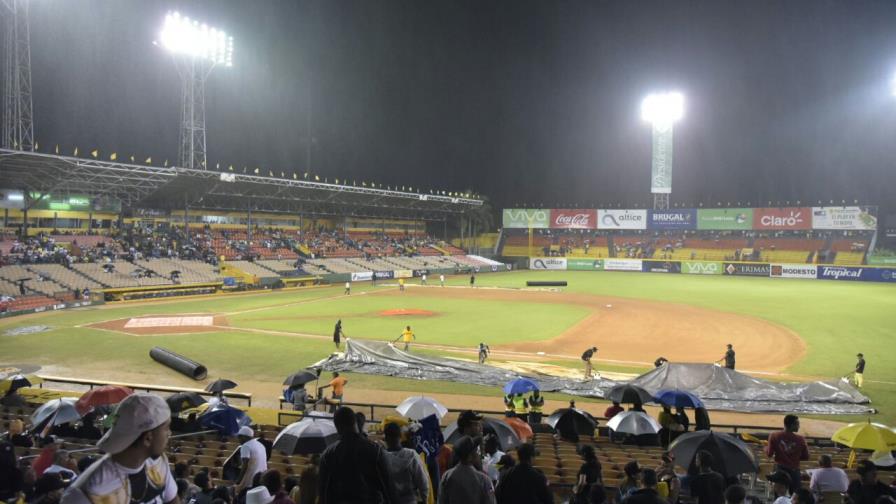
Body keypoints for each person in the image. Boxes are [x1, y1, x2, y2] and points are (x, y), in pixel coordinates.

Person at [61, 393, 178, 504]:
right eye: (166, 428)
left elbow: (173, 500)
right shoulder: (87, 493)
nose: (169, 433)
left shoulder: (158, 463)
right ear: (147, 439)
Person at [319, 406, 393, 504]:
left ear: (337, 428)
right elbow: (389, 491)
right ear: (355, 423)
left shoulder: (327, 455)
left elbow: (324, 495)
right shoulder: (376, 450)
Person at [437, 436, 495, 504]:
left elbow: (441, 500)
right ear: (469, 456)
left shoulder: (447, 476)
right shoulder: (483, 480)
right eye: (477, 452)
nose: (479, 455)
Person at [382, 422, 429, 504]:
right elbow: (423, 482)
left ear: (385, 438)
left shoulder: (381, 457)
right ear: (401, 436)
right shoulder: (411, 455)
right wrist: (424, 500)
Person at [766, 414, 809, 494]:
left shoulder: (774, 435)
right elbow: (806, 456)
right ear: (792, 425)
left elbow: (769, 454)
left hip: (780, 470)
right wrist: (795, 456)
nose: (799, 426)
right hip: (794, 470)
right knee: (795, 496)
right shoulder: (801, 439)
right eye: (797, 424)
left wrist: (765, 448)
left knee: (778, 495)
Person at [235, 427, 269, 496]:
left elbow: (245, 465)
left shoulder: (245, 446)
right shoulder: (261, 445)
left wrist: (238, 481)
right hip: (261, 480)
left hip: (250, 483)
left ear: (244, 437)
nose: (238, 439)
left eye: (239, 437)